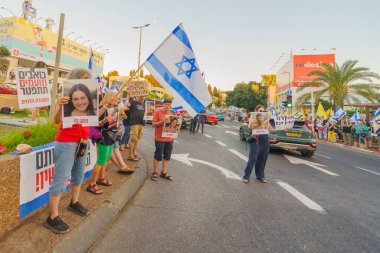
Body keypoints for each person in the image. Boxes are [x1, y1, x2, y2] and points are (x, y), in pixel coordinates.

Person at [45, 68, 94, 234]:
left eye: (88, 78)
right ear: (74, 80)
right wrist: (60, 106)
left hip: (82, 142)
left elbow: (93, 118)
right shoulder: (66, 98)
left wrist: (103, 108)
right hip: (66, 142)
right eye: (84, 78)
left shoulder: (88, 98)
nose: (87, 80)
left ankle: (74, 202)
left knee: (79, 174)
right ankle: (52, 217)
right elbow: (57, 120)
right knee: (60, 178)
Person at [86, 96, 125, 195]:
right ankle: (92, 183)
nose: (119, 100)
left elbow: (116, 121)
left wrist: (121, 118)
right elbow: (94, 123)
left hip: (112, 136)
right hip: (104, 137)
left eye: (119, 99)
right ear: (110, 98)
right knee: (101, 161)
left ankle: (101, 177)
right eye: (117, 98)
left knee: (106, 159)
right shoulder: (102, 109)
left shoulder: (115, 109)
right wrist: (104, 121)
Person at [242, 105, 274, 184]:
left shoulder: (266, 119)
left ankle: (260, 176)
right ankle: (246, 176)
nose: (262, 112)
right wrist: (252, 122)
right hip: (256, 140)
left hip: (265, 140)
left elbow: (271, 129)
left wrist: (284, 128)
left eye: (263, 111)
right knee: (252, 159)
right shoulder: (252, 118)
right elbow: (249, 126)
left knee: (262, 159)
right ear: (256, 111)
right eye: (260, 111)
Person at [151, 99, 175, 181]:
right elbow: (153, 124)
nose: (168, 106)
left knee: (167, 156)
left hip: (169, 138)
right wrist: (162, 121)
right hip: (159, 138)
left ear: (171, 106)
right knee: (158, 156)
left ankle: (164, 172)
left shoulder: (171, 114)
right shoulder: (157, 113)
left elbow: (173, 126)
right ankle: (155, 172)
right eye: (166, 104)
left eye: (169, 104)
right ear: (163, 105)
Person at [125, 96, 145, 161]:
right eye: (141, 95)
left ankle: (134, 153)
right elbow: (126, 106)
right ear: (137, 96)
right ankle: (130, 155)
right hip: (134, 123)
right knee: (133, 139)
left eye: (143, 96)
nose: (142, 97)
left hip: (141, 123)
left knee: (137, 139)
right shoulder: (133, 102)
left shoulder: (143, 104)